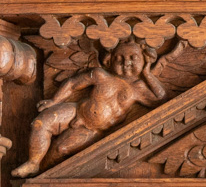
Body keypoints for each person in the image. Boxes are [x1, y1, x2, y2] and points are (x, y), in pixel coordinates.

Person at [11, 40, 166, 178]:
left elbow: (161, 100)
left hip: (94, 130)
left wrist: (147, 73)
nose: (126, 63)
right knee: (41, 122)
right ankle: (33, 162)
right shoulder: (100, 75)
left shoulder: (138, 89)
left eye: (133, 57)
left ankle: (42, 177)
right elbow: (72, 84)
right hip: (76, 111)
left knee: (60, 149)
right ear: (109, 60)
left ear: (145, 60)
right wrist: (54, 100)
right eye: (119, 58)